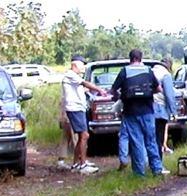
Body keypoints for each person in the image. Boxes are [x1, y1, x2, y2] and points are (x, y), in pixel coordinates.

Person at [109, 49, 164, 177]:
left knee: (137, 142)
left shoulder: (125, 71)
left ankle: (140, 173)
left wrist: (120, 96)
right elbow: (158, 89)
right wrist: (149, 94)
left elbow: (113, 90)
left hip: (130, 112)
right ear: (141, 58)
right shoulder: (148, 71)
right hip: (147, 111)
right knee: (151, 141)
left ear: (130, 58)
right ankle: (157, 169)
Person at [62, 55, 106, 174]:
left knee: (82, 136)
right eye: (82, 64)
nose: (83, 67)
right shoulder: (70, 75)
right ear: (75, 64)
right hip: (74, 109)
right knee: (85, 135)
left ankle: (76, 163)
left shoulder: (74, 77)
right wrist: (99, 90)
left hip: (79, 109)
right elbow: (85, 83)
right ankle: (83, 164)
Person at [152, 58, 177, 173]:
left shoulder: (150, 71)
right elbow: (169, 94)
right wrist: (173, 112)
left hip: (147, 109)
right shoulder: (165, 75)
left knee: (148, 139)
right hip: (160, 110)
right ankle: (158, 167)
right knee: (159, 138)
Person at [57, 98, 78, 170]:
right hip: (70, 116)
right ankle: (79, 161)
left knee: (65, 138)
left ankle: (61, 161)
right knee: (77, 139)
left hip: (65, 116)